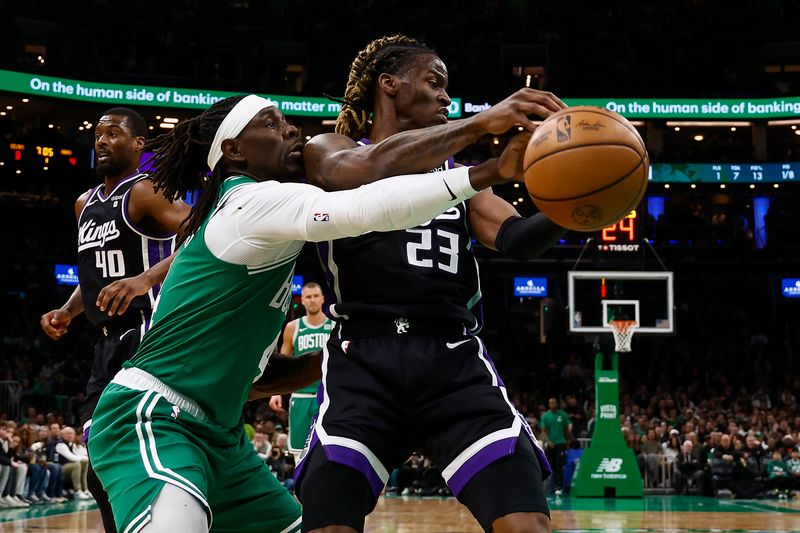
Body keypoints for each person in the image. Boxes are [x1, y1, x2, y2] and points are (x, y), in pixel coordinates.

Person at [87, 93, 524, 533]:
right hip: (154, 417)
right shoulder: (251, 202)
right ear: (235, 150)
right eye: (272, 125)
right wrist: (487, 171)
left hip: (221, 437)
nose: (292, 130)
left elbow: (261, 378)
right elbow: (365, 207)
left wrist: (332, 360)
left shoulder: (251, 221)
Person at [296, 34, 567, 533]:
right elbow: (366, 169)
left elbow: (515, 238)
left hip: (452, 359)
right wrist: (482, 122)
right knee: (328, 524)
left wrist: (576, 203)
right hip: (363, 359)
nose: (446, 97)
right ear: (389, 84)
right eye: (434, 83)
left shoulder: (459, 175)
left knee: (527, 523)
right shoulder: (328, 149)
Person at [39, 107, 190, 532]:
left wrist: (144, 280)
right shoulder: (83, 203)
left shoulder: (145, 191)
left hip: (148, 334)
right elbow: (96, 270)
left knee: (130, 457)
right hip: (105, 341)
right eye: (98, 134)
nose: (102, 140)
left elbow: (202, 234)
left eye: (114, 133)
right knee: (99, 464)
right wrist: (68, 311)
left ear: (139, 144)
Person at [270, 282, 334, 459]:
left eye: (315, 296)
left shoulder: (334, 325)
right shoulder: (293, 327)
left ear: (322, 299)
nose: (312, 300)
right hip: (300, 399)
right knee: (299, 456)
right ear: (302, 301)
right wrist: (275, 393)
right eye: (308, 296)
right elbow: (282, 364)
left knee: (329, 452)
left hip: (328, 398)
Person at [541, 398, 574, 493]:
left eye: (554, 403)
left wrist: (571, 440)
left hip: (560, 442)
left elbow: (566, 430)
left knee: (559, 464)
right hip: (551, 444)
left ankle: (559, 486)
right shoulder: (546, 416)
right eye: (550, 403)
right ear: (549, 404)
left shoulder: (562, 415)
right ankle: (552, 486)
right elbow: (544, 431)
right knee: (552, 465)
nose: (552, 404)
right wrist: (548, 441)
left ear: (557, 404)